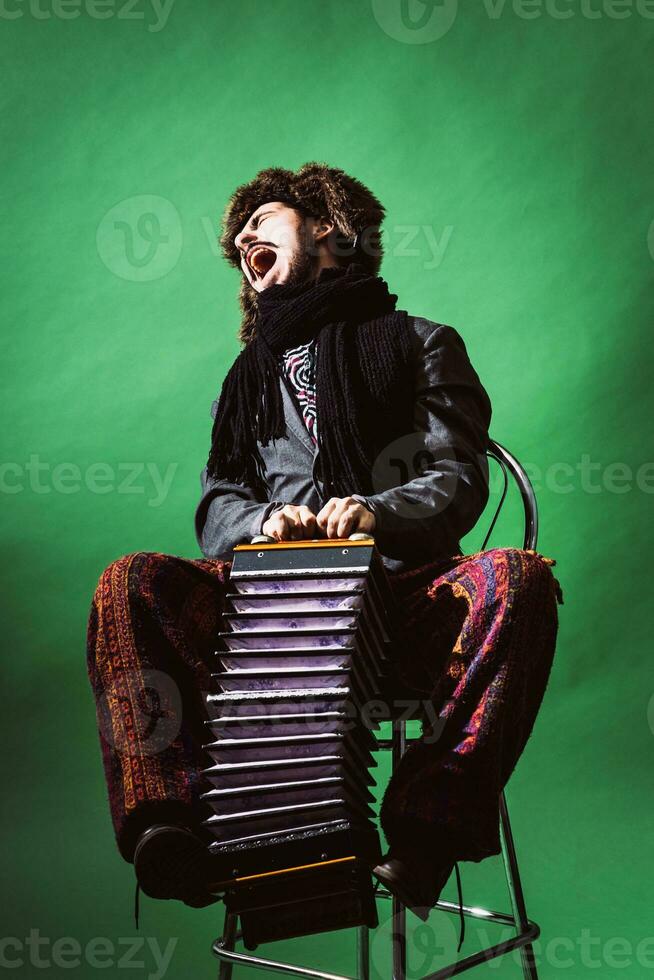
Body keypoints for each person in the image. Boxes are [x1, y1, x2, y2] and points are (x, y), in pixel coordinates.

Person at [87, 162, 562, 921]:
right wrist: (262, 524)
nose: (243, 236)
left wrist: (373, 511)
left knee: (521, 579)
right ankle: (171, 829)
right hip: (271, 620)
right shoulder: (246, 379)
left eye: (263, 218)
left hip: (405, 606)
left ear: (333, 233)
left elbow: (458, 478)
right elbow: (217, 506)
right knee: (130, 580)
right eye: (238, 233)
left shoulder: (423, 341)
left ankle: (426, 836)